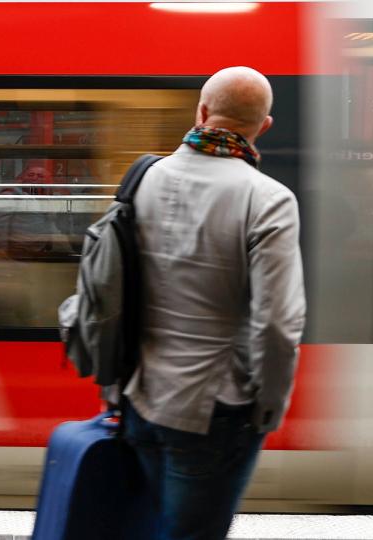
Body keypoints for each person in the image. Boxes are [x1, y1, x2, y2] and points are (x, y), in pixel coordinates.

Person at [120, 66, 306, 540]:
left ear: (201, 112)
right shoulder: (269, 199)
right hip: (214, 409)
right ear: (264, 126)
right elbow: (278, 323)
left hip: (140, 395)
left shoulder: (143, 179)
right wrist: (270, 401)